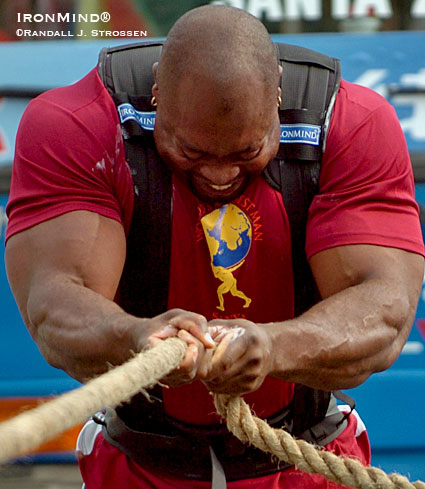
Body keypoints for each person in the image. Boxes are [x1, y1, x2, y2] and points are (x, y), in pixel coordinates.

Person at [5, 5, 424, 489]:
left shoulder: (352, 123)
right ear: (157, 95)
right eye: (192, 151)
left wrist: (272, 347)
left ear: (279, 100)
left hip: (308, 460)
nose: (221, 173)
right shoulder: (75, 125)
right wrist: (136, 337)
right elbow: (54, 303)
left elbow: (386, 312)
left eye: (248, 151)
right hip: (142, 465)